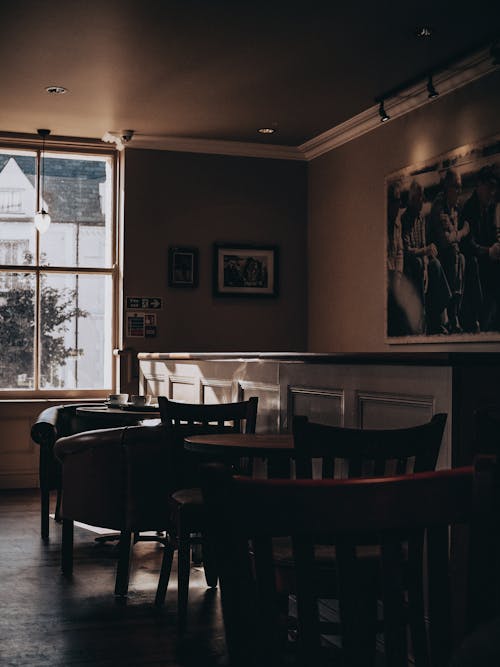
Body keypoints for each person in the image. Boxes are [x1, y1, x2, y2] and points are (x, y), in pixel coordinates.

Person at [401, 180, 451, 334]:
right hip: (409, 264)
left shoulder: (421, 218)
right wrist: (425, 253)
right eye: (420, 197)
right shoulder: (405, 219)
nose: (423, 200)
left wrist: (426, 259)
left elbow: (423, 243)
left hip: (420, 261)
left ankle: (438, 319)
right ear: (412, 199)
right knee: (418, 264)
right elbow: (407, 251)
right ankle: (422, 325)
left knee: (434, 264)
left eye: (423, 196)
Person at [429, 170, 469, 333]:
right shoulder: (440, 206)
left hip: (450, 254)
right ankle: (449, 316)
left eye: (460, 187)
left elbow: (453, 237)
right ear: (447, 187)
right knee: (454, 255)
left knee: (462, 258)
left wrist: (456, 235)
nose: (459, 191)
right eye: (456, 187)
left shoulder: (455, 207)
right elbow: (445, 241)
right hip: (437, 254)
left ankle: (454, 314)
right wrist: (463, 232)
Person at [461, 165, 500, 332]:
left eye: (494, 188)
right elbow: (468, 246)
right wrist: (489, 251)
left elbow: (492, 236)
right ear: (479, 186)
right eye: (489, 188)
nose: (492, 193)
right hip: (474, 263)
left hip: (486, 262)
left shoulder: (489, 209)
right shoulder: (469, 209)